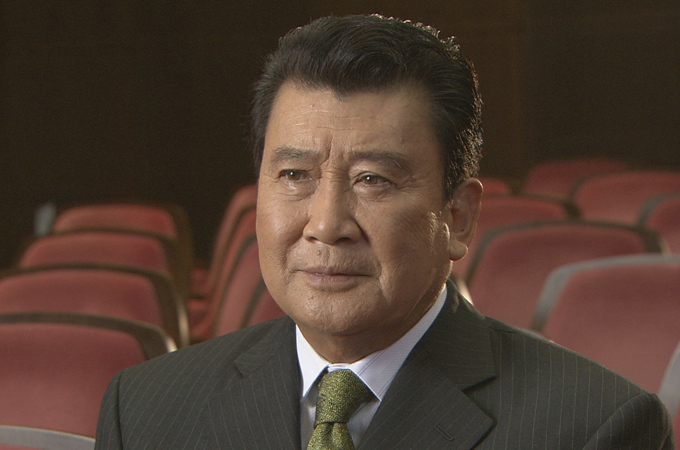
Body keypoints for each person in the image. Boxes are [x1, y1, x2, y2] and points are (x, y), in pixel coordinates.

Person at [94, 14, 673, 449]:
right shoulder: (145, 410)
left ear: (458, 217)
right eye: (294, 175)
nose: (326, 225)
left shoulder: (593, 427)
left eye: (373, 180)